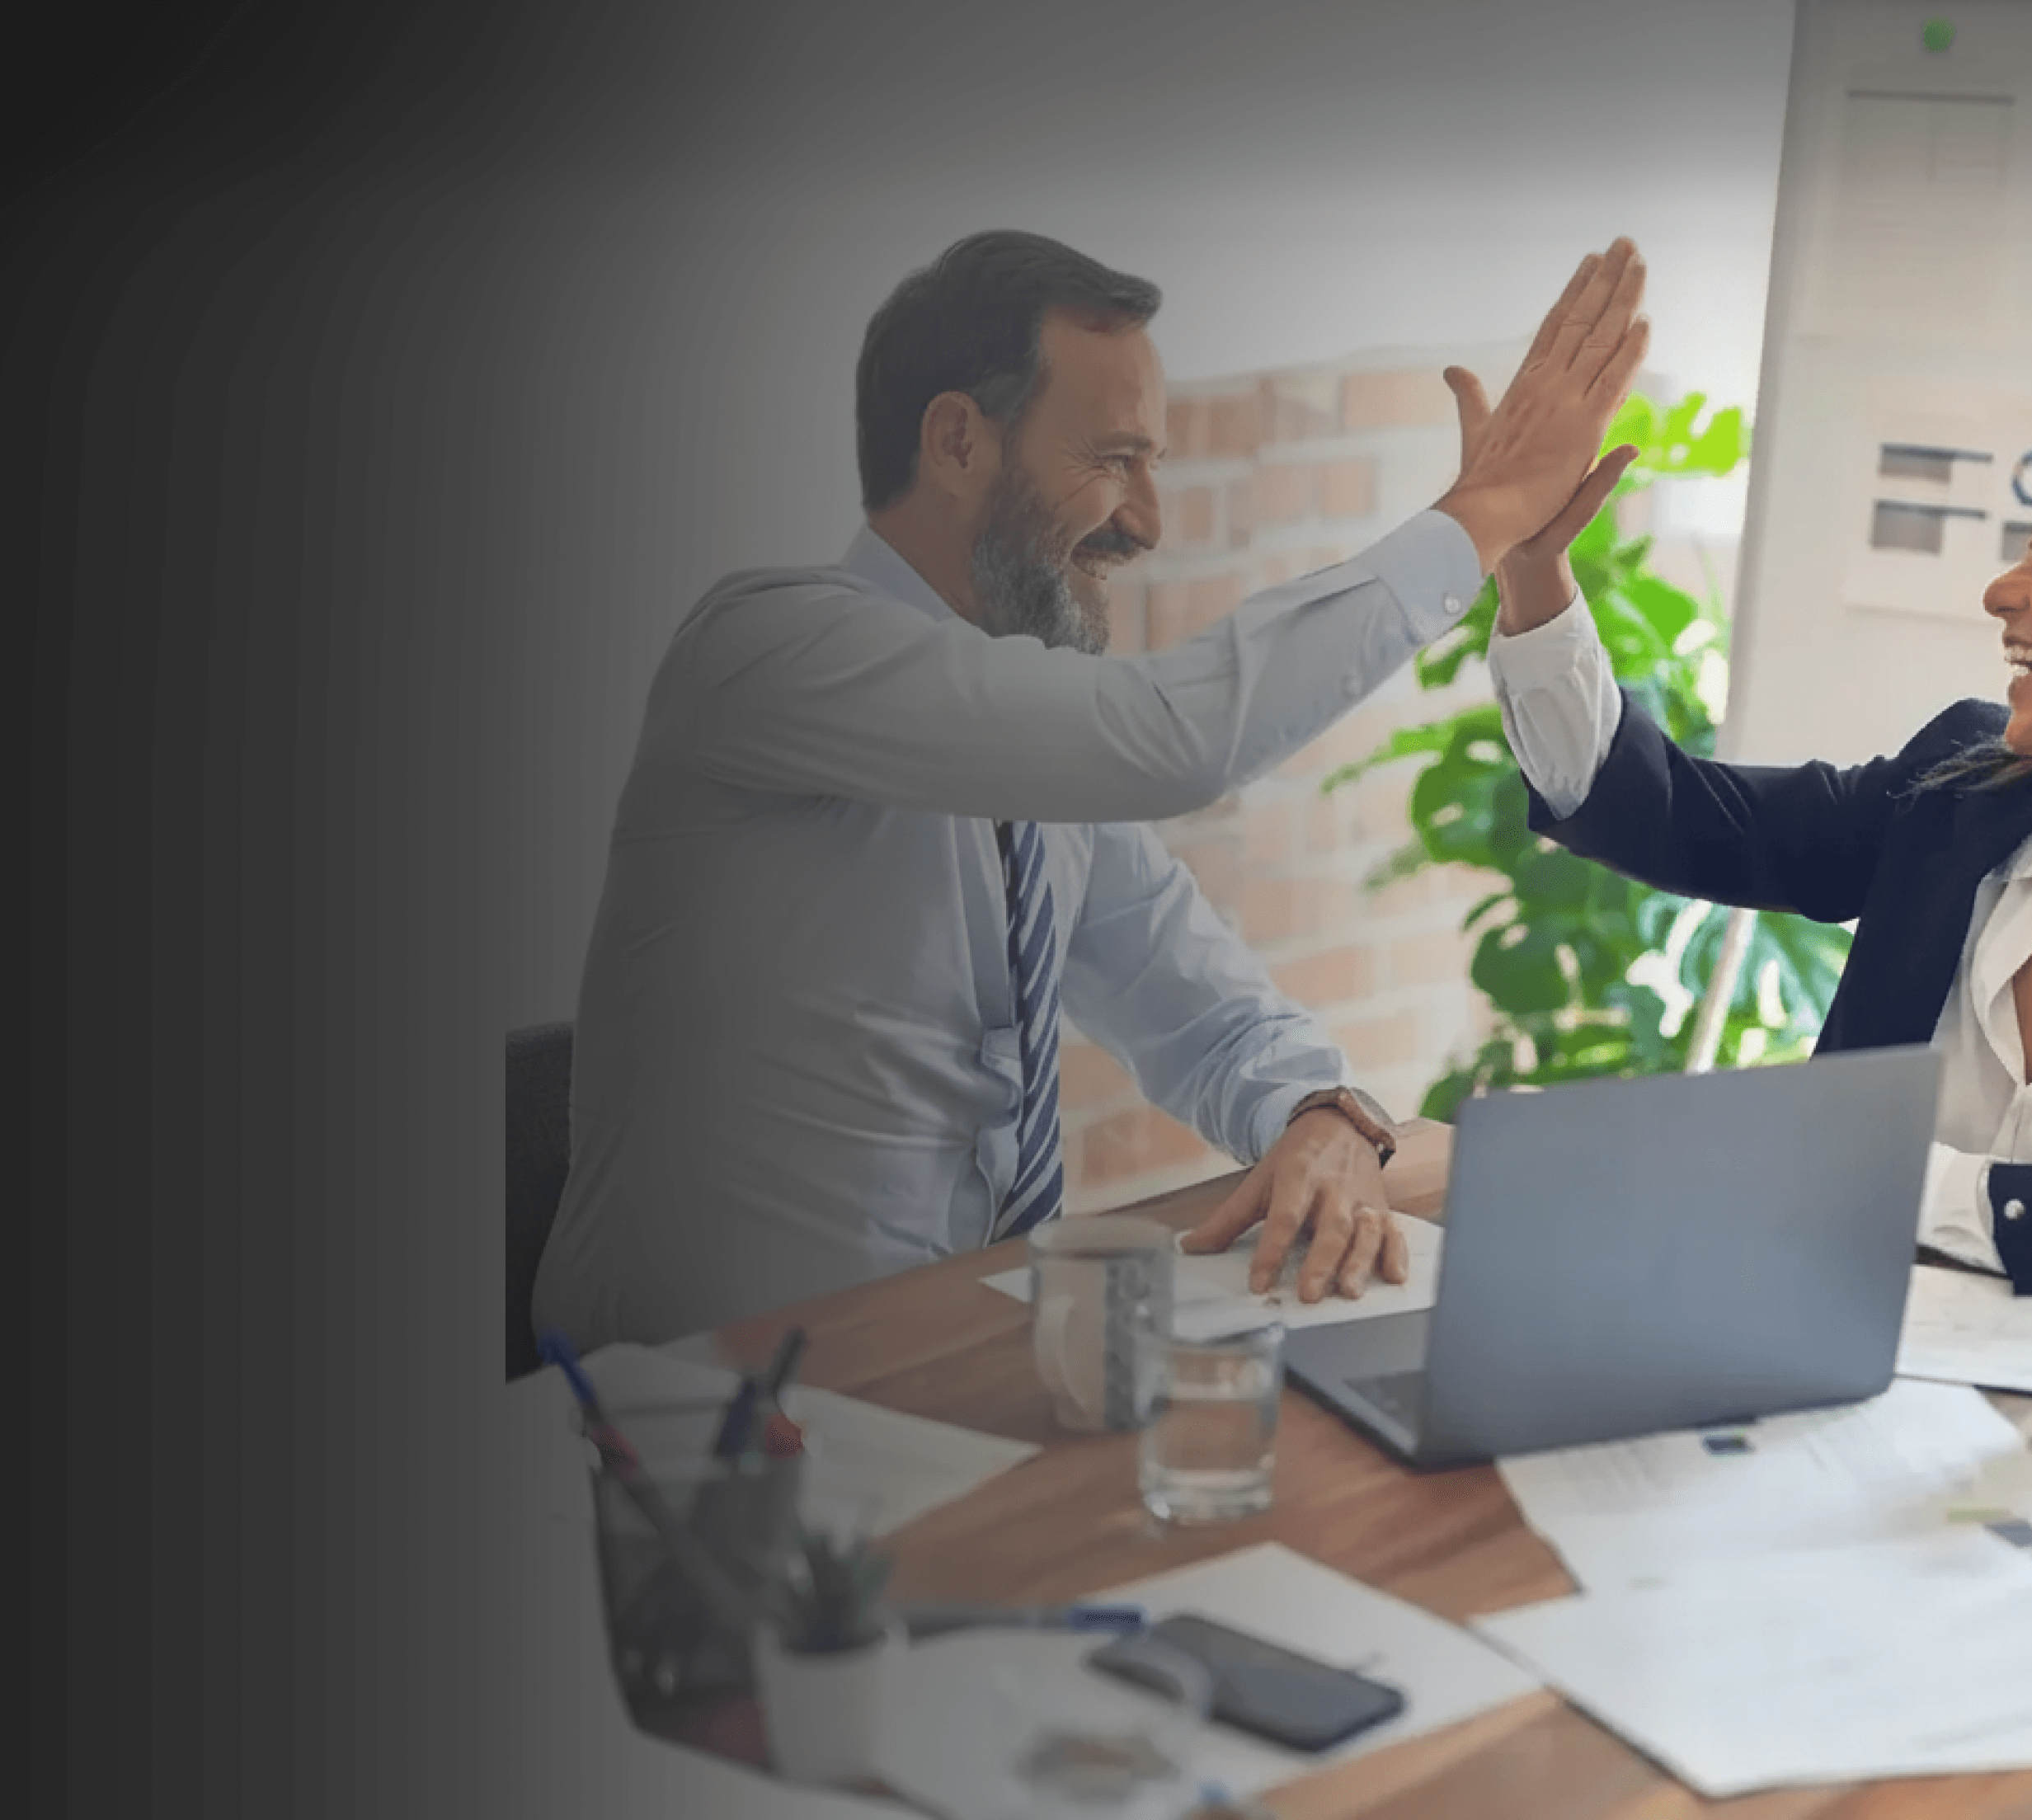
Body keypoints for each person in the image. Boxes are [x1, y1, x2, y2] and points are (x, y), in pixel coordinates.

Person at [531, 228, 1651, 1349]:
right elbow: (1177, 738)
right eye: (1111, 458)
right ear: (958, 440)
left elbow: (1211, 1017)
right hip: (689, 1421)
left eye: (1152, 463)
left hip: (948, 1374)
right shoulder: (767, 648)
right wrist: (1488, 509)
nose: (1147, 523)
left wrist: (1322, 1114)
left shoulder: (1037, 762)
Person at [1478, 410, 2032, 1321]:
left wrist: (1885, 1181)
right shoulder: (1957, 791)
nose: (2001, 591)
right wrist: (1532, 574)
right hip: (1855, 1372)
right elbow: (1674, 814)